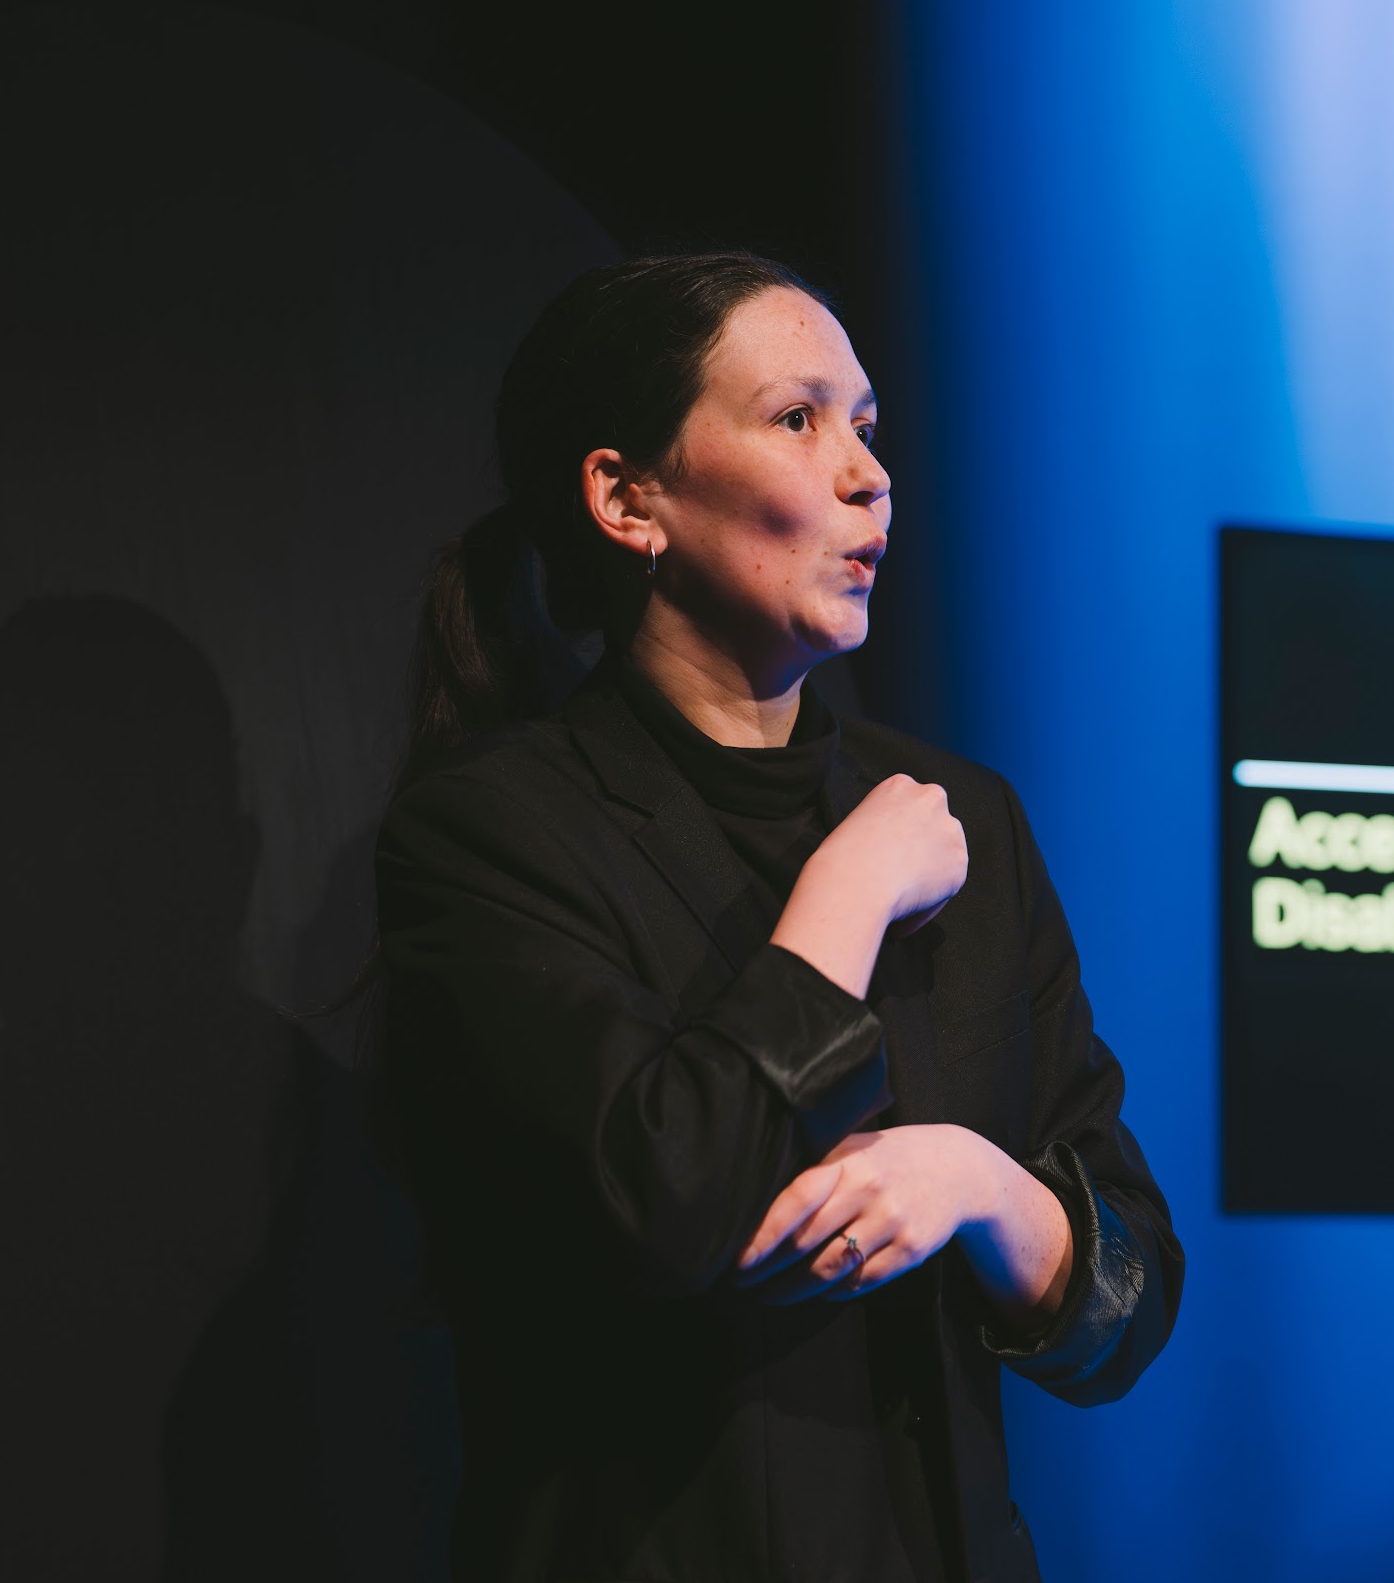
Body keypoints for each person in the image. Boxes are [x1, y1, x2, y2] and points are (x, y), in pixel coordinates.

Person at [373, 252, 1182, 1583]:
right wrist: (847, 896)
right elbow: (666, 1193)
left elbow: (1127, 1300)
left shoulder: (963, 817)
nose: (867, 473)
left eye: (866, 425)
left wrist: (976, 1186)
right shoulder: (497, 833)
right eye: (798, 419)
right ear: (629, 499)